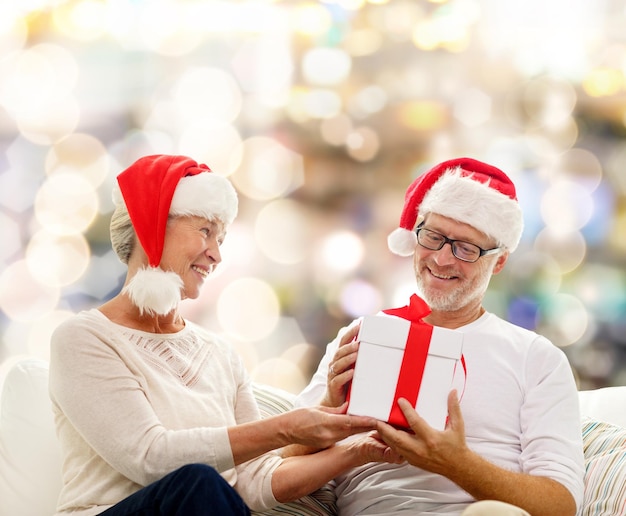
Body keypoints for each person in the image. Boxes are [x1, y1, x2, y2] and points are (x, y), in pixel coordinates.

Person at [48, 154, 401, 516]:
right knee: (198, 483)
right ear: (151, 225)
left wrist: (359, 450)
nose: (216, 254)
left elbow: (253, 482)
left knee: (207, 488)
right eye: (205, 231)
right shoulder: (84, 338)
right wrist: (285, 429)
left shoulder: (219, 354)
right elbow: (151, 459)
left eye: (221, 238)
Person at [295, 157, 585, 516]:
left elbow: (561, 505)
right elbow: (277, 465)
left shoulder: (536, 357)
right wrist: (328, 404)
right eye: (433, 237)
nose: (442, 259)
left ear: (498, 261)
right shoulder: (361, 336)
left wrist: (456, 463)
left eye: (466, 248)